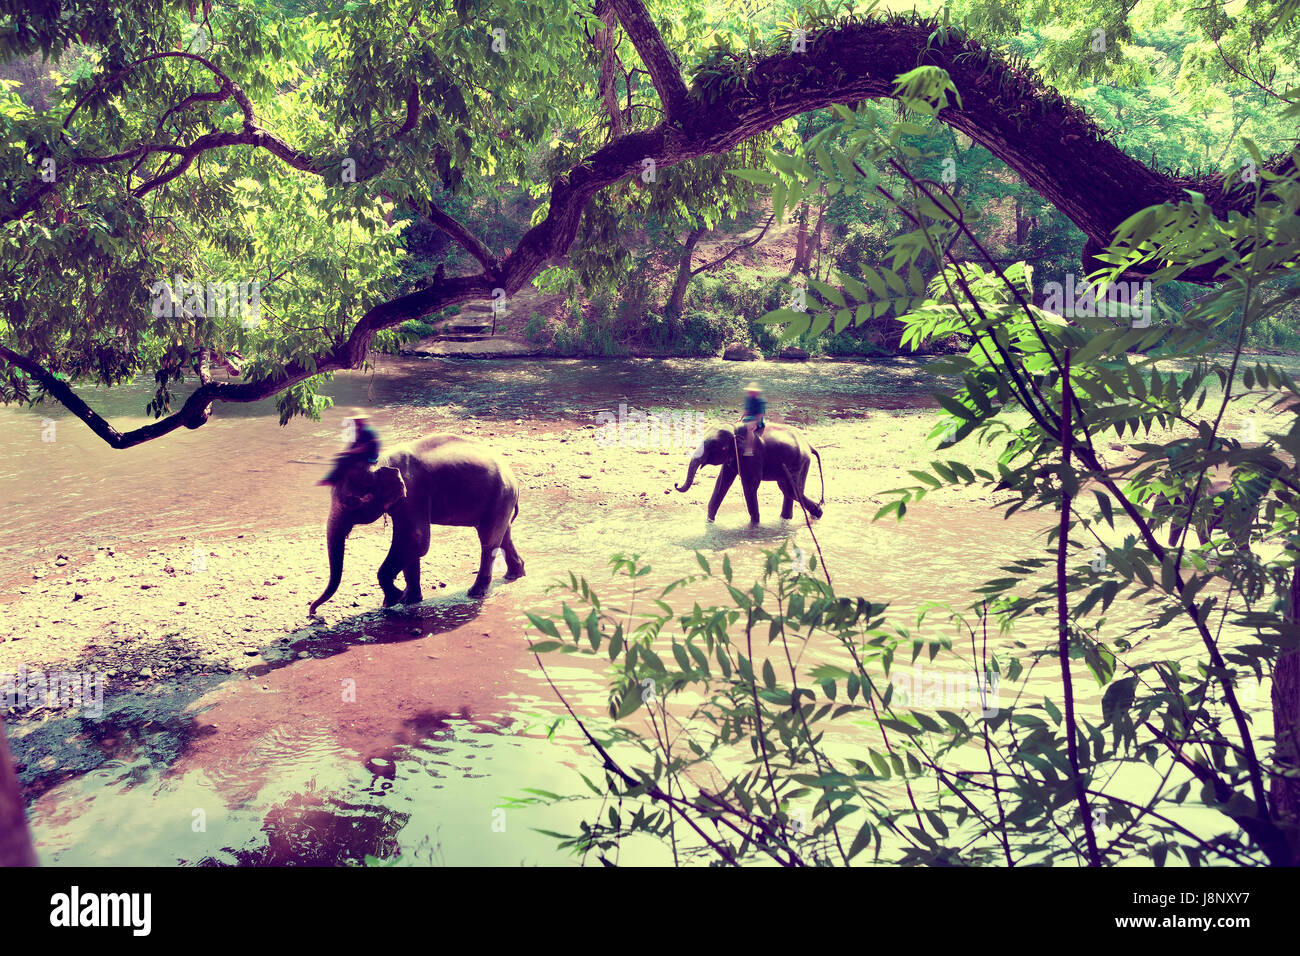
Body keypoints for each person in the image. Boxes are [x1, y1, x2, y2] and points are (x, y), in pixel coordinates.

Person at [740, 382, 766, 456]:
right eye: (749, 391)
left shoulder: (760, 401)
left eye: (751, 391)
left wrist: (755, 422)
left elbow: (760, 414)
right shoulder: (748, 399)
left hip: (757, 419)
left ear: (756, 392)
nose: (749, 393)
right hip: (748, 418)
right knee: (738, 426)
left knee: (749, 428)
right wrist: (740, 418)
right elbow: (746, 411)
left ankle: (749, 449)